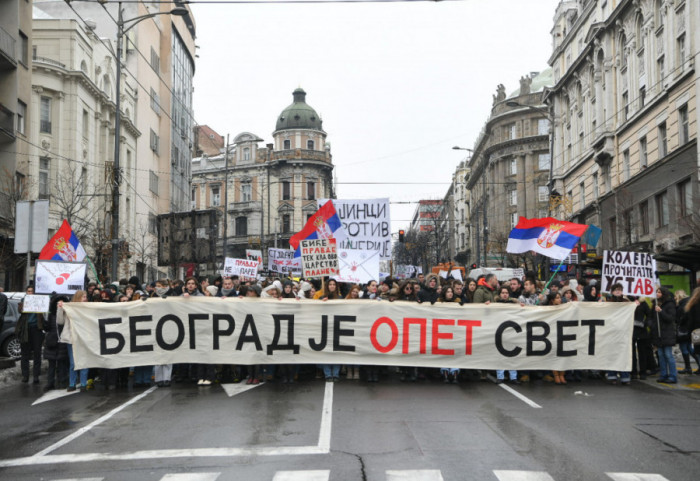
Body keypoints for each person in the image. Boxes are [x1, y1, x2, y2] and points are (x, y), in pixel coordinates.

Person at [58, 290, 89, 391]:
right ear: (78, 297)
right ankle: (72, 383)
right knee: (73, 362)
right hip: (72, 339)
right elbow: (60, 321)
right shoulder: (69, 308)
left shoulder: (88, 308)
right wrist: (60, 309)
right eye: (83, 297)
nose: (85, 299)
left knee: (84, 361)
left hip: (84, 339)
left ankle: (83, 383)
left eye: (85, 297)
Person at [16, 286, 45, 384]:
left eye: (32, 291)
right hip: (25, 330)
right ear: (26, 292)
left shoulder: (39, 300)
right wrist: (26, 303)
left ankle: (36, 375)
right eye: (28, 291)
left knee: (37, 353)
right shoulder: (23, 300)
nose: (30, 293)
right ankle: (25, 375)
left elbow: (44, 311)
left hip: (36, 329)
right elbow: (20, 310)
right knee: (25, 354)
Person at [606, 283, 632, 385]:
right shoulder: (609, 302)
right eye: (616, 290)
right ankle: (612, 376)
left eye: (620, 290)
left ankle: (625, 377)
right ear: (612, 291)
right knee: (612, 354)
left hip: (623, 332)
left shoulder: (626, 302)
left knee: (623, 354)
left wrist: (636, 305)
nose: (618, 291)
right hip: (611, 332)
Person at [43, 295, 70, 391]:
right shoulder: (50, 315)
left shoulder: (67, 315)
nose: (60, 305)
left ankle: (62, 381)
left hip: (62, 341)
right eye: (58, 303)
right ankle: (50, 382)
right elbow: (46, 327)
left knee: (62, 363)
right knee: (51, 364)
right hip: (52, 341)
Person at [651, 287, 678, 384]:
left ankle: (673, 376)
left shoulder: (669, 304)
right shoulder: (655, 303)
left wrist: (661, 311)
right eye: (657, 292)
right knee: (661, 355)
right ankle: (663, 374)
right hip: (658, 334)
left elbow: (670, 318)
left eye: (659, 292)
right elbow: (652, 318)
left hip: (666, 333)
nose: (657, 294)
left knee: (668, 355)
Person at [675, 290, 700, 375]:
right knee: (690, 348)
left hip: (686, 331)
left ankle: (688, 367)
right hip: (690, 330)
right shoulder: (689, 303)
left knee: (685, 348)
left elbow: (684, 318)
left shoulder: (684, 305)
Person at [686, 287, 700, 375]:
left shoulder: (694, 304)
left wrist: (689, 331)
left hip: (697, 331)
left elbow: (692, 319)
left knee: (698, 350)